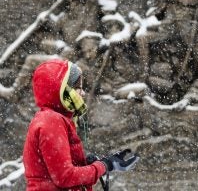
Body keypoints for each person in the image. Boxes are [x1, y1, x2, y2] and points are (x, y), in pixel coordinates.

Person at [23, 58, 139, 190]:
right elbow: (65, 177)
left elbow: (58, 171)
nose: (83, 93)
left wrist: (86, 164)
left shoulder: (51, 118)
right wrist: (104, 166)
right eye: (78, 87)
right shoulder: (51, 121)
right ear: (61, 89)